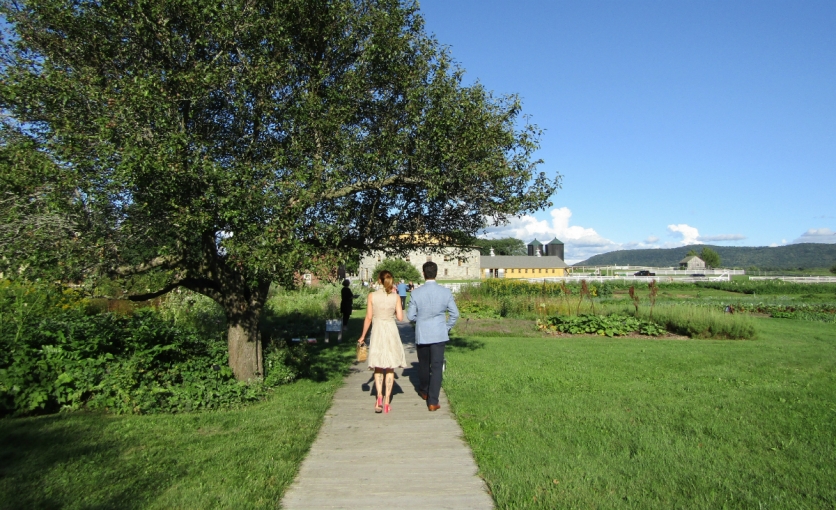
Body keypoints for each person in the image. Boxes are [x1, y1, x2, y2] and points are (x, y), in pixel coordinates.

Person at [406, 261, 459, 411]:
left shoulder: (416, 293)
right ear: (436, 273)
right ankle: (433, 400)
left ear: (423, 274)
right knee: (436, 367)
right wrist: (446, 327)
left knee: (423, 364)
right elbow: (455, 314)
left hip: (423, 333)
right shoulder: (445, 292)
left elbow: (410, 316)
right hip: (439, 333)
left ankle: (424, 390)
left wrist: (420, 320)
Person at [358, 270, 407, 413]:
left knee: (378, 366)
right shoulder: (396, 297)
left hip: (378, 330)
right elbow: (400, 318)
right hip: (391, 330)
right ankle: (387, 401)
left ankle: (379, 396)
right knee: (390, 367)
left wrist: (362, 336)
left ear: (379, 280)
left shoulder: (372, 296)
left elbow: (368, 317)